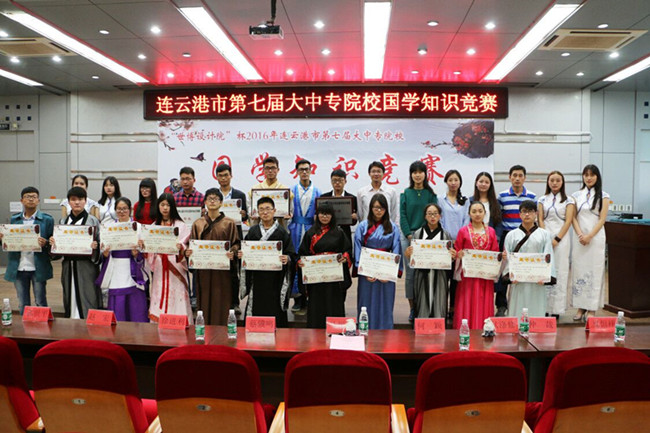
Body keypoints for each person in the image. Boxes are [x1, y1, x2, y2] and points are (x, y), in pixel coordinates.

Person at [239, 197, 296, 327]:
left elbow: (291, 254)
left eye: (268, 209)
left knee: (274, 305)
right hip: (257, 277)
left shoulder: (282, 232)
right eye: (261, 209)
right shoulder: (253, 231)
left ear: (274, 210)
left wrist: (287, 258)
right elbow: (245, 249)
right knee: (256, 303)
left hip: (275, 279)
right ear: (257, 212)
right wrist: (242, 255)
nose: (265, 212)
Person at [186, 188, 239, 326]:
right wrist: (189, 253)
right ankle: (204, 329)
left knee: (222, 298)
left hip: (222, 271)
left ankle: (222, 329)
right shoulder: (198, 223)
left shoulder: (229, 223)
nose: (213, 201)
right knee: (204, 299)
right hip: (203, 270)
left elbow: (236, 244)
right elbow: (192, 244)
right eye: (210, 198)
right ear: (205, 202)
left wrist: (232, 252)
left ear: (221, 203)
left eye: (216, 199)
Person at [297, 202, 351, 328]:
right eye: (322, 213)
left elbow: (347, 250)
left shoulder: (339, 232)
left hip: (334, 276)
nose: (325, 217)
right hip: (316, 276)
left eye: (328, 214)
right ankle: (315, 330)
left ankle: (336, 329)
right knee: (316, 303)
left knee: (334, 303)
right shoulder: (310, 233)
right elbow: (302, 253)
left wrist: (345, 258)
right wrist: (301, 262)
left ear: (332, 216)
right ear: (317, 215)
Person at [2, 187, 54, 314]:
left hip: (38, 266)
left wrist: (46, 243)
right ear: (21, 200)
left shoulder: (47, 220)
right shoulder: (14, 219)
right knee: (22, 303)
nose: (31, 199)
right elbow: (9, 241)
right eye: (27, 197)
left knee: (40, 301)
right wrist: (4, 239)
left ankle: (43, 325)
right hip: (19, 266)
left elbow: (53, 243)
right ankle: (24, 326)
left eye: (34, 197)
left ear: (38, 200)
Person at [141, 193, 192, 323]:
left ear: (172, 206)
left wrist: (180, 247)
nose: (165, 208)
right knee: (159, 290)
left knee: (177, 292)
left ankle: (179, 321)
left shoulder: (181, 225)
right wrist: (145, 246)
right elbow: (149, 248)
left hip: (175, 263)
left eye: (168, 205)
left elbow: (185, 245)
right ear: (158, 206)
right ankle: (159, 320)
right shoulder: (154, 226)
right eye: (162, 205)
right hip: (159, 264)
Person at [51, 186, 101, 319]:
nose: (77, 202)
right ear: (68, 202)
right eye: (73, 199)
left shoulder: (93, 221)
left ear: (85, 201)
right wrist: (54, 244)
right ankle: (71, 322)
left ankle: (89, 322)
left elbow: (101, 245)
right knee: (69, 294)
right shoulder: (63, 222)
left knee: (88, 295)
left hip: (87, 267)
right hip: (68, 266)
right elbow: (57, 251)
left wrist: (95, 248)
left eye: (80, 199)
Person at [96, 197, 148, 322]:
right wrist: (105, 254)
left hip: (133, 267)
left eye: (124, 209)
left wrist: (137, 254)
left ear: (130, 210)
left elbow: (145, 250)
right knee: (117, 303)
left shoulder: (138, 227)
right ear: (115, 210)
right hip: (115, 267)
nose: (122, 211)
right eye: (119, 209)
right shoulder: (109, 228)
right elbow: (103, 250)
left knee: (135, 303)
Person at [354, 194, 401, 330]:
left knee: (385, 301)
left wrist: (391, 272)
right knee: (366, 301)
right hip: (367, 268)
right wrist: (362, 269)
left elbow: (396, 249)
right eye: (376, 208)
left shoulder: (392, 227)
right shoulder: (362, 226)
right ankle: (365, 328)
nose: (379, 211)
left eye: (381, 208)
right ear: (371, 208)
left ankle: (385, 329)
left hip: (385, 269)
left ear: (386, 209)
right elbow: (358, 247)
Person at [570, 164, 610, 322]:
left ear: (597, 177)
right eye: (586, 175)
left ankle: (592, 308)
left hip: (595, 238)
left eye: (592, 175)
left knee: (595, 271)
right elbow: (572, 217)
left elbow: (602, 219)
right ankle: (580, 307)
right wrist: (580, 234)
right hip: (579, 238)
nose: (588, 178)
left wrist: (589, 236)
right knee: (579, 270)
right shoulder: (576, 196)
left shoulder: (604, 196)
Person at [400, 161, 438, 321]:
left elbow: (434, 215)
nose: (417, 175)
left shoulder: (431, 194)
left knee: (426, 273)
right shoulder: (406, 193)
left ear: (425, 174)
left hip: (426, 238)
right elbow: (402, 216)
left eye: (420, 172)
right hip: (408, 237)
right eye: (414, 172)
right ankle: (412, 308)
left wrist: (424, 235)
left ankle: (426, 305)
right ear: (411, 175)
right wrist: (409, 235)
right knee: (410, 275)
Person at [503, 200, 555, 318]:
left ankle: (537, 327)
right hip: (518, 280)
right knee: (517, 308)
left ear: (536, 213)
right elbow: (508, 257)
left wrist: (545, 276)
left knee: (536, 309)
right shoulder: (511, 235)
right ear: (519, 214)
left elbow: (548, 255)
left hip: (537, 280)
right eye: (524, 211)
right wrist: (510, 276)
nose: (527, 214)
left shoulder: (544, 234)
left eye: (530, 211)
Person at [496, 165, 536, 316]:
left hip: (526, 236)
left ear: (525, 178)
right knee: (504, 270)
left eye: (520, 175)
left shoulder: (531, 196)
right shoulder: (502, 196)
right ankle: (501, 305)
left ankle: (523, 303)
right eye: (514, 175)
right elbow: (499, 218)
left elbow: (534, 217)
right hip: (507, 236)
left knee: (523, 268)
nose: (517, 178)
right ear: (510, 177)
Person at [404, 203, 455, 320]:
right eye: (430, 214)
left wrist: (452, 256)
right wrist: (408, 254)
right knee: (422, 302)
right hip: (422, 274)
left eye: (435, 214)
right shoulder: (418, 233)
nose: (433, 216)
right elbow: (413, 258)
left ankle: (438, 326)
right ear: (425, 216)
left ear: (440, 216)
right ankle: (422, 326)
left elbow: (449, 258)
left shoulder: (445, 235)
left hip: (440, 274)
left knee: (439, 302)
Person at [454, 201, 499, 329]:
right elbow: (456, 251)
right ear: (469, 214)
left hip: (485, 276)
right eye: (474, 211)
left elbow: (495, 252)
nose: (477, 214)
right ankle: (465, 330)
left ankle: (483, 329)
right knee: (467, 300)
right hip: (467, 276)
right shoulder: (463, 231)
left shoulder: (491, 232)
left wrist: (501, 257)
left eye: (480, 211)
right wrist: (458, 255)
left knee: (484, 301)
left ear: (485, 213)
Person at [538, 171, 575, 317]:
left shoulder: (569, 200)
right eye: (552, 180)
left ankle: (557, 310)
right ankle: (544, 308)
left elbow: (568, 221)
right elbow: (540, 219)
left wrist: (557, 239)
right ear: (548, 182)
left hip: (562, 239)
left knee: (560, 271)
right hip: (544, 238)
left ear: (562, 182)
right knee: (545, 271)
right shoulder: (542, 199)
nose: (554, 183)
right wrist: (546, 238)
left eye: (558, 180)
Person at [215, 163, 248, 314]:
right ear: (217, 177)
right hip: (217, 237)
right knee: (219, 271)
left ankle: (235, 303)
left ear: (231, 176)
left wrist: (243, 215)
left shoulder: (240, 195)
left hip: (235, 236)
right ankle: (220, 301)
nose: (223, 178)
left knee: (234, 271)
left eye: (226, 175)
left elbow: (245, 217)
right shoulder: (213, 195)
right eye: (220, 176)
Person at [289, 159, 321, 313]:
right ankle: (297, 298)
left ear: (311, 170)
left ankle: (310, 298)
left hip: (310, 229)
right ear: (297, 172)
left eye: (306, 169)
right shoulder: (291, 191)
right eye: (301, 169)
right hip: (295, 229)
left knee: (310, 262)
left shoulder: (318, 192)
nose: (304, 172)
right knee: (295, 263)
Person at [439, 169, 469, 320]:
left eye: (456, 180)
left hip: (461, 244)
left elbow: (467, 220)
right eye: (450, 180)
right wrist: (447, 240)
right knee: (444, 277)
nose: (453, 183)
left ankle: (453, 308)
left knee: (456, 278)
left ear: (460, 182)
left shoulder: (465, 201)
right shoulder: (440, 199)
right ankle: (442, 308)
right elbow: (439, 220)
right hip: (445, 244)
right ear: (446, 182)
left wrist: (460, 241)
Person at [320, 169, 358, 250]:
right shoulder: (323, 198)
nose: (337, 183)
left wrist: (355, 217)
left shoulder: (352, 198)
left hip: (345, 232)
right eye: (334, 180)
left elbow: (354, 221)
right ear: (331, 182)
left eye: (340, 180)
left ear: (345, 181)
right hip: (327, 233)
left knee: (346, 254)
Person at [249, 156, 292, 225]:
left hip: (279, 227)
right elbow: (250, 208)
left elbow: (290, 210)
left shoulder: (285, 190)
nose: (270, 171)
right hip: (260, 226)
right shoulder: (255, 190)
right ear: (263, 170)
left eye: (273, 168)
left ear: (278, 170)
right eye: (267, 168)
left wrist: (289, 215)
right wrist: (252, 213)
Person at [356, 161, 399, 225]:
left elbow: (393, 213)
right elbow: (360, 214)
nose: (376, 174)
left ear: (383, 173)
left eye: (379, 171)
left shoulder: (391, 191)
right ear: (369, 173)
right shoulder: (361, 192)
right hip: (368, 228)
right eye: (373, 171)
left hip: (385, 227)